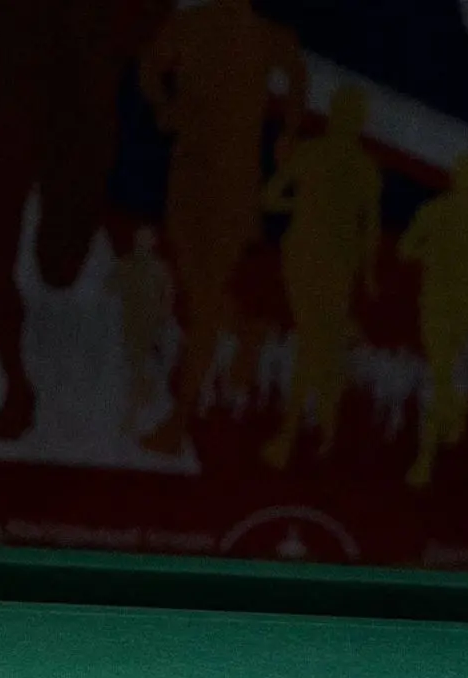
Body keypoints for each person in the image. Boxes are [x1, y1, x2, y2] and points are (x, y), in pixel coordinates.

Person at [0, 0, 169, 437]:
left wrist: (118, 47)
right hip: (10, 105)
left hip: (78, 114)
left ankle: (40, 383)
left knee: (58, 267)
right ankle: (17, 389)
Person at [139, 0, 307, 455]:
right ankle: (247, 330)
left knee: (205, 300)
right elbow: (150, 65)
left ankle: (180, 419)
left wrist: (289, 133)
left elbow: (297, 77)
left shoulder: (267, 35)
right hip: (188, 177)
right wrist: (164, 105)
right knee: (197, 290)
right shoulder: (190, 24)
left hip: (234, 186)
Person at [260, 84, 381, 469]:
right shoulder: (358, 166)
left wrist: (302, 201)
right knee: (316, 340)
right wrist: (367, 273)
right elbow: (370, 229)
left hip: (314, 260)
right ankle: (316, 422)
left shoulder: (320, 155)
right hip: (319, 261)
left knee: (313, 341)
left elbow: (271, 198)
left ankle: (295, 431)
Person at [398, 153, 468, 487]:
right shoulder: (435, 211)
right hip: (436, 304)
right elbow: (406, 248)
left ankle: (432, 450)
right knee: (440, 373)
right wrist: (429, 254)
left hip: (464, 308)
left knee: (447, 374)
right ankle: (440, 435)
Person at [110, 226, 172, 435]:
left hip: (150, 330)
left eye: (147, 238)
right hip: (128, 327)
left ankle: (134, 416)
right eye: (140, 238)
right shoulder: (126, 265)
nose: (143, 242)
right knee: (131, 371)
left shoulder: (160, 268)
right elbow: (109, 288)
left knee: (143, 370)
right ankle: (132, 413)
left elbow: (167, 298)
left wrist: (161, 323)